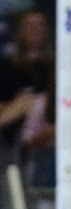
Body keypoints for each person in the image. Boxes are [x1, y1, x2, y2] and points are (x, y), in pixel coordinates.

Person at [0, 9, 53, 146]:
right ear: (21, 30)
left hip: (49, 125)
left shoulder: (57, 66)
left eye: (40, 25)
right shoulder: (7, 66)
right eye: (30, 25)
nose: (35, 30)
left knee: (35, 100)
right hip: (15, 128)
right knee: (26, 99)